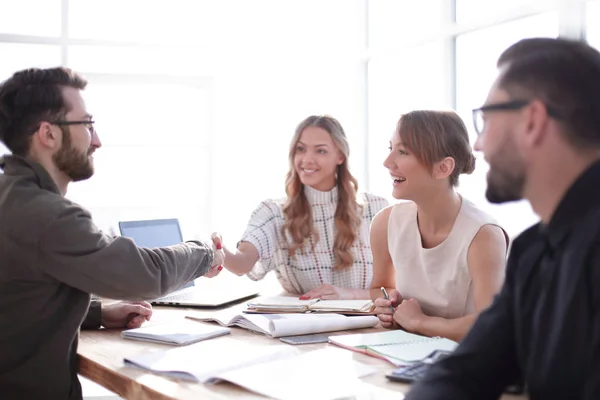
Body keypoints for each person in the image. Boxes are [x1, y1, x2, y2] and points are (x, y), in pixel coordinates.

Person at [0, 67, 224, 399]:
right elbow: (143, 274)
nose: (97, 140)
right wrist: (206, 251)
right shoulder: (47, 216)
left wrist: (96, 313)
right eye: (87, 125)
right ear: (48, 134)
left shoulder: (10, 196)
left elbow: (16, 303)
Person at [405, 37, 600, 400]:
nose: (477, 146)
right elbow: (465, 371)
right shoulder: (533, 252)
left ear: (533, 122)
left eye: (487, 119)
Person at [211, 115, 388, 299]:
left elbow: (396, 290)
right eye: (300, 149)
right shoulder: (274, 212)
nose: (306, 159)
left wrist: (348, 295)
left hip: (369, 324)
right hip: (302, 323)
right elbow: (243, 263)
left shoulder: (376, 209)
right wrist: (217, 250)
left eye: (320, 151)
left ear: (340, 156)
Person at [370, 110, 508, 341]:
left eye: (402, 151)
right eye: (390, 148)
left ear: (443, 168)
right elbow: (379, 287)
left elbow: (491, 325)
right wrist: (387, 304)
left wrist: (420, 322)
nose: (387, 162)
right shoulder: (385, 223)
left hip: (466, 361)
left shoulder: (483, 235)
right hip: (405, 348)